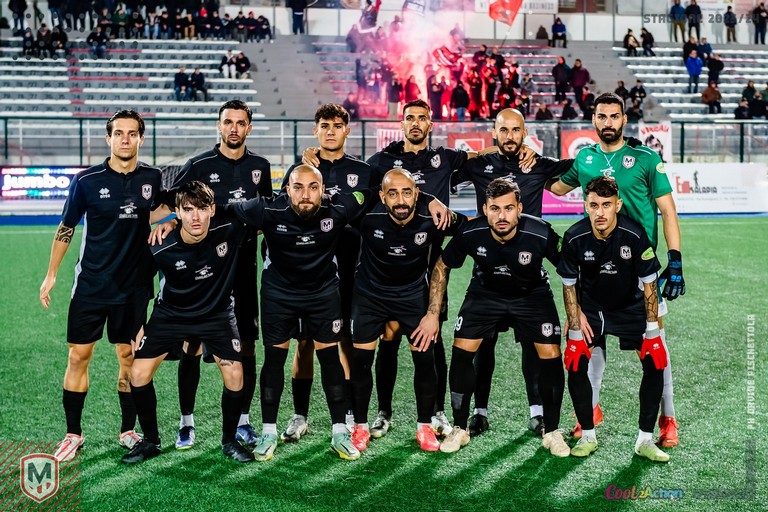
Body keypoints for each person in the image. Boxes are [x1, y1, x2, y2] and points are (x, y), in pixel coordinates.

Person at [225, 166, 442, 462]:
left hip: (323, 295)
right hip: (279, 296)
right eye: (298, 187)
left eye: (313, 187)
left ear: (323, 189)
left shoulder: (340, 208)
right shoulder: (265, 208)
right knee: (274, 360)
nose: (305, 194)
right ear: (286, 189)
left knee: (331, 360)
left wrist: (429, 199)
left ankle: (340, 432)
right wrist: (174, 221)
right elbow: (221, 210)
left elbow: (379, 191)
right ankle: (268, 433)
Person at [547, 93, 685, 448]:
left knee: (656, 349)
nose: (608, 122)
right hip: (594, 270)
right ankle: (589, 414)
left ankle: (667, 418)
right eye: (602, 116)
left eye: (614, 116)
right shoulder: (585, 158)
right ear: (593, 120)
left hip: (640, 272)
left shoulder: (645, 158)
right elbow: (555, 185)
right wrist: (532, 166)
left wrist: (676, 260)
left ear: (625, 119)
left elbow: (668, 211)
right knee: (590, 349)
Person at [40, 110, 163, 462]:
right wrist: (51, 274)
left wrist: (168, 223)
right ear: (107, 139)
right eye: (119, 133)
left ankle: (128, 430)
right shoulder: (87, 181)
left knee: (128, 356)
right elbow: (66, 228)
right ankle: (73, 434)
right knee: (79, 355)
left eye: (132, 133)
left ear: (141, 138)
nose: (125, 139)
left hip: (133, 289)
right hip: (91, 286)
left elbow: (171, 209)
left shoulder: (153, 178)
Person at [412, 179, 567, 457]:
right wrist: (433, 313)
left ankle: (552, 430)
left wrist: (576, 317)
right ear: (485, 209)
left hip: (531, 295)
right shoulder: (472, 232)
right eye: (495, 209)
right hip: (485, 294)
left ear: (519, 208)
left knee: (551, 353)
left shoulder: (540, 233)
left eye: (509, 208)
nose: (502, 216)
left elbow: (570, 270)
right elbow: (442, 265)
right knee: (462, 350)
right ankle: (460, 428)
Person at [152, 100, 272, 452]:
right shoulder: (199, 165)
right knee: (191, 344)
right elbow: (175, 204)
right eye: (227, 122)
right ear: (218, 126)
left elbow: (263, 212)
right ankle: (186, 423)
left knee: (245, 346)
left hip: (243, 269)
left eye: (240, 123)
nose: (234, 128)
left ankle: (242, 422)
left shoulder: (260, 166)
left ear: (249, 128)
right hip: (199, 274)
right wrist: (171, 221)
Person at [451, 109, 574, 436]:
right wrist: (481, 152)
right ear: (494, 132)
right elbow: (440, 170)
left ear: (524, 132)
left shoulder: (537, 165)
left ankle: (538, 414)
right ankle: (479, 412)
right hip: (487, 274)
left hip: (528, 276)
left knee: (535, 346)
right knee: (482, 346)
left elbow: (581, 166)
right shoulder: (478, 165)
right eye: (503, 130)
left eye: (515, 130)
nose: (509, 135)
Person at [122, 181, 255, 464]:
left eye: (202, 209)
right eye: (188, 210)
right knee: (138, 374)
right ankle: (151, 441)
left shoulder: (230, 229)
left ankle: (229, 441)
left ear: (212, 210)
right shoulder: (160, 244)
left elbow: (269, 208)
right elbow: (138, 284)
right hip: (172, 313)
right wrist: (138, 325)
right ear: (178, 214)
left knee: (235, 375)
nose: (196, 217)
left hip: (217, 314)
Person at [348, 169, 466, 453]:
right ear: (381, 196)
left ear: (416, 194)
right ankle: (361, 427)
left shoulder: (434, 217)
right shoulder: (367, 214)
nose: (400, 200)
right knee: (361, 361)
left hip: (413, 296)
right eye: (392, 193)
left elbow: (471, 228)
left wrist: (447, 258)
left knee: (425, 361)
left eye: (407, 192)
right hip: (369, 296)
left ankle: (424, 426)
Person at [279, 104, 374, 444]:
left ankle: (347, 412)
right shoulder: (300, 169)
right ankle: (299, 415)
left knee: (345, 340)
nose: (331, 131)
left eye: (337, 125)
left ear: (347, 130)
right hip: (308, 271)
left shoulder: (364, 171)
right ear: (315, 131)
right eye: (324, 125)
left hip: (352, 270)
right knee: (304, 343)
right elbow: (281, 213)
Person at [557, 176, 669, 462]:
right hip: (591, 310)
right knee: (575, 362)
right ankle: (588, 435)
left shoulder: (634, 234)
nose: (600, 212)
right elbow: (568, 285)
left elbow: (649, 283)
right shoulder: (574, 237)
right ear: (585, 205)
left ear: (617, 205)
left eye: (607, 205)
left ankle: (645, 439)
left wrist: (653, 330)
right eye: (594, 205)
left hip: (629, 308)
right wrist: (573, 329)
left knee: (655, 362)